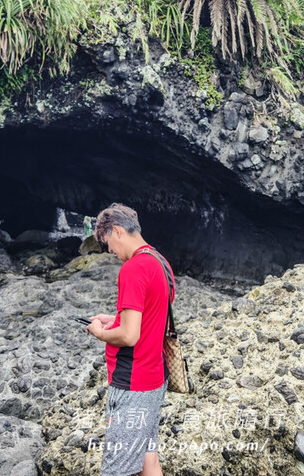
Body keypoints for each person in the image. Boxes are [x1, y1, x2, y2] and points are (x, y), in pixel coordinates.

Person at [87, 204, 174, 476]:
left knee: (117, 470)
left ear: (117, 231)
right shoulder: (160, 262)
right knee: (149, 461)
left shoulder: (133, 268)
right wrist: (114, 319)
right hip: (155, 377)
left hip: (133, 384)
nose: (109, 251)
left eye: (107, 243)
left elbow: (129, 335)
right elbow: (152, 316)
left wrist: (100, 333)